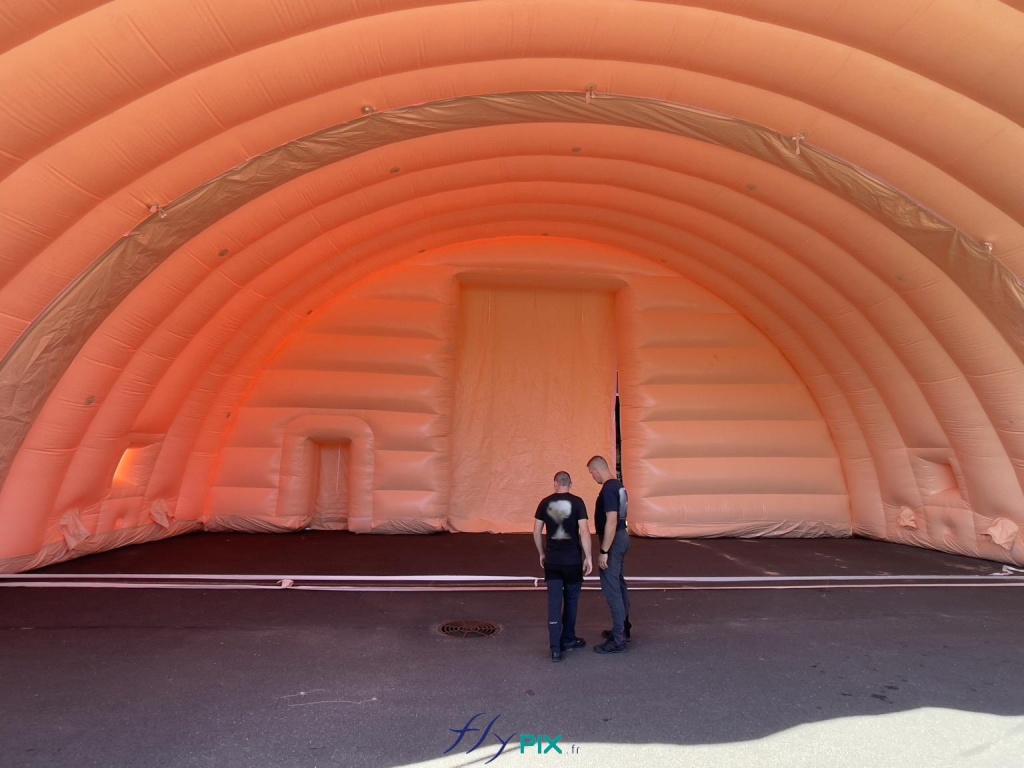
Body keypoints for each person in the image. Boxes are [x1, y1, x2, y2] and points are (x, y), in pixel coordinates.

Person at [533, 471, 593, 663]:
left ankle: (555, 648)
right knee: (572, 600)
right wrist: (588, 557)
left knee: (554, 602)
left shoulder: (544, 502)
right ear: (571, 484)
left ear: (554, 484)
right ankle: (568, 638)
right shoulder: (578, 502)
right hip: (573, 561)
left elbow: (536, 531)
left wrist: (542, 553)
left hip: (553, 561)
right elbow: (584, 531)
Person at [587, 455, 631, 654]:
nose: (592, 477)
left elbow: (611, 520)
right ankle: (623, 629)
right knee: (619, 584)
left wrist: (604, 551)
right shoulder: (619, 486)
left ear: (597, 470)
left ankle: (618, 638)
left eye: (591, 473)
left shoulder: (608, 489)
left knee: (612, 587)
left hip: (613, 540)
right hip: (621, 538)